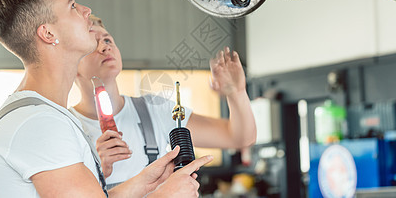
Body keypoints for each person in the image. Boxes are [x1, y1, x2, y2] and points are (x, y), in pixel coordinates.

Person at [0, 0, 212, 198]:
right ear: (49, 34)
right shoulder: (38, 123)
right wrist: (166, 195)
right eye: (72, 6)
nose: (86, 10)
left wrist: (144, 184)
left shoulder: (44, 115)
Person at [71, 14, 257, 186]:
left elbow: (240, 137)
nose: (105, 46)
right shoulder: (65, 126)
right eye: (92, 44)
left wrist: (237, 93)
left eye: (107, 39)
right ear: (71, 64)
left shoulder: (153, 110)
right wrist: (99, 172)